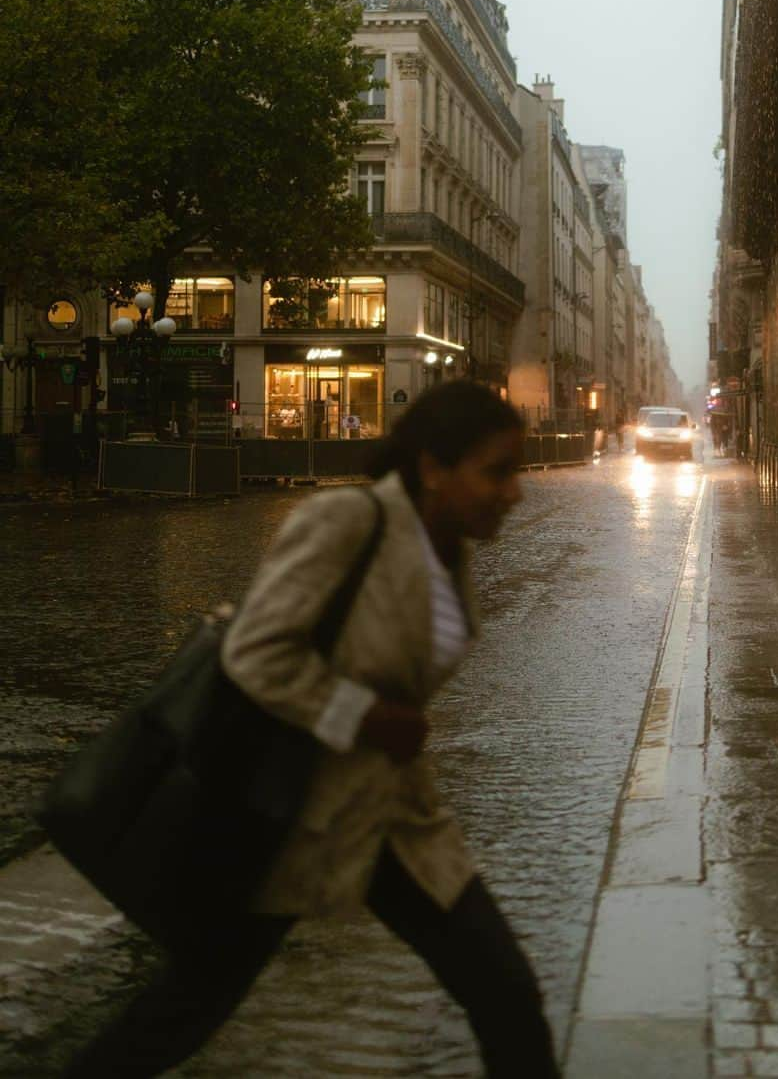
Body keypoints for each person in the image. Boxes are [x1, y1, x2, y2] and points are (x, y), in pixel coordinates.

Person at [65, 380, 559, 1079]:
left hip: (392, 819)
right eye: (496, 471)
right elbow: (256, 651)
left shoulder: (448, 548)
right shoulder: (347, 522)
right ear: (432, 468)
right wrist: (361, 715)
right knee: (179, 1014)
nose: (514, 492)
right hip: (284, 813)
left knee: (503, 990)